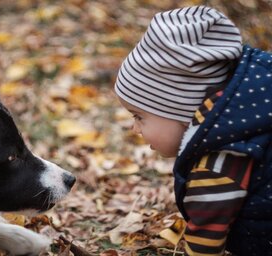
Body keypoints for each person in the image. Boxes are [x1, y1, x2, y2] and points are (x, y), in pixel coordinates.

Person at [114, 5, 272, 256]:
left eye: (139, 116)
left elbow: (204, 245)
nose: (135, 128)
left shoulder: (218, 162)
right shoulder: (243, 124)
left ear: (180, 111)